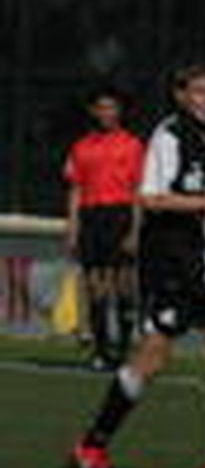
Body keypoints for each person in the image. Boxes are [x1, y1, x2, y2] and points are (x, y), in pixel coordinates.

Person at [69, 65, 205, 468]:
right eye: (198, 91)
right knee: (151, 359)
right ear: (179, 94)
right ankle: (92, 445)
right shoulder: (168, 136)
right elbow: (151, 199)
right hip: (174, 263)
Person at [63, 88, 144, 370]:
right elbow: (75, 189)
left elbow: (138, 191)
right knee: (95, 286)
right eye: (102, 107)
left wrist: (135, 230)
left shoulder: (132, 145)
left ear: (120, 112)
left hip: (120, 214)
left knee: (124, 285)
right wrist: (73, 228)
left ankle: (124, 349)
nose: (107, 113)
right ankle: (100, 350)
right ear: (93, 111)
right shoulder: (81, 146)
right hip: (92, 216)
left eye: (112, 107)